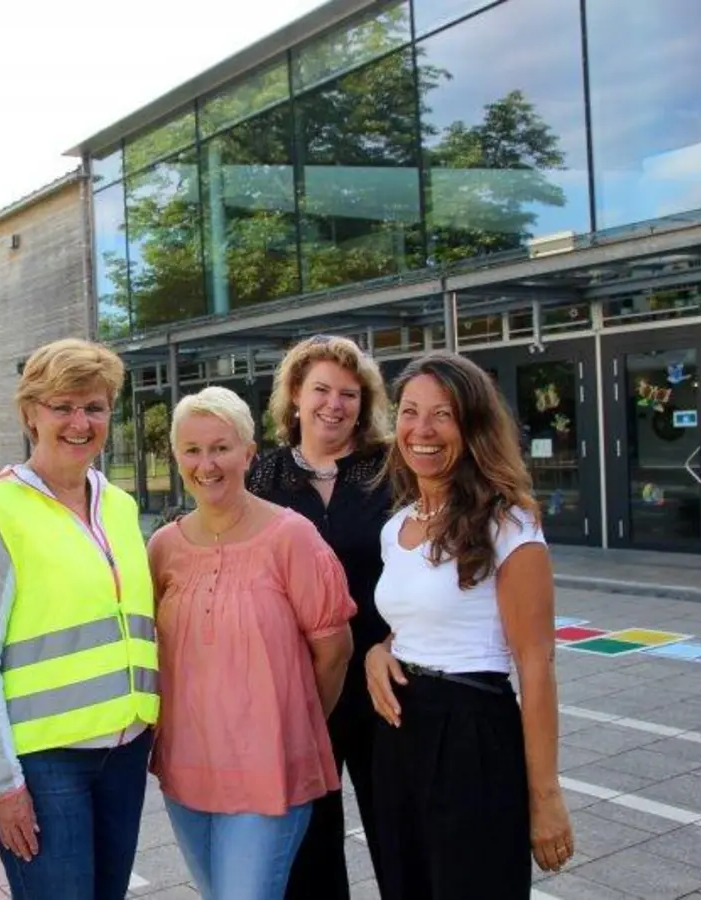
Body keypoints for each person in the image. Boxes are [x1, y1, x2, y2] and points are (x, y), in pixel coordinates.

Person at [0, 338, 158, 900]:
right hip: (44, 766)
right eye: (63, 406)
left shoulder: (120, 506)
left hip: (125, 752)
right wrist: (1, 782)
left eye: (95, 407)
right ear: (30, 413)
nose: (80, 422)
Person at [364, 351, 574, 899]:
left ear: (474, 426)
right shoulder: (396, 528)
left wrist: (545, 797)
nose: (422, 430)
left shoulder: (508, 523)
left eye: (443, 415)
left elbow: (536, 664)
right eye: (410, 412)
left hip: (473, 733)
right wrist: (378, 651)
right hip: (398, 736)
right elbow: (416, 618)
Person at [149, 385, 356, 900]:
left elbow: (334, 652)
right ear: (176, 458)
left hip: (268, 773)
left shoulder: (292, 538)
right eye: (192, 450)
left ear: (248, 453)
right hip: (186, 770)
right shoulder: (163, 548)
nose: (207, 464)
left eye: (221, 447)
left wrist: (293, 727)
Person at [246, 334, 392, 899]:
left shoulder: (391, 469)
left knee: (397, 831)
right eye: (321, 390)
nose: (335, 404)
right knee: (311, 844)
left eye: (349, 394)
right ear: (295, 397)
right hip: (300, 686)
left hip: (385, 681)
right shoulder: (262, 476)